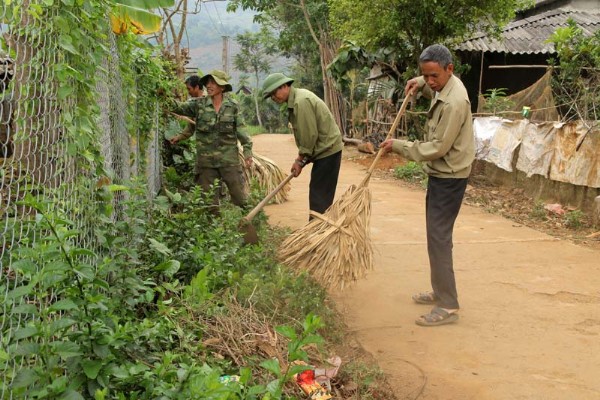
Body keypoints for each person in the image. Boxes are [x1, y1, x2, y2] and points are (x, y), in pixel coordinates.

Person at [380, 44, 475, 327]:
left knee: (439, 238)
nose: (430, 82)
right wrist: (419, 82)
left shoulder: (454, 102)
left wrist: (398, 146)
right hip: (441, 174)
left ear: (450, 69)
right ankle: (440, 290)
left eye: (434, 76)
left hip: (450, 176)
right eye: (426, 76)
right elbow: (430, 83)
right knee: (436, 237)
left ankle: (447, 305)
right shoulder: (443, 86)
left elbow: (437, 147)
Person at [261, 72, 343, 219]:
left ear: (285, 86)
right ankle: (319, 227)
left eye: (274, 93)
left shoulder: (301, 102)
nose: (273, 98)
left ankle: (317, 230)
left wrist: (300, 160)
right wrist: (303, 160)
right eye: (271, 96)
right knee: (320, 192)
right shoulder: (297, 100)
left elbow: (309, 136)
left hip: (328, 150)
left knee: (319, 194)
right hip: (323, 150)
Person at [169, 69, 253, 210]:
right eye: (208, 82)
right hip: (206, 163)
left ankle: (247, 224)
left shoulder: (232, 107)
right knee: (208, 203)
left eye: (213, 82)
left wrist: (248, 152)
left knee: (240, 198)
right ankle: (213, 230)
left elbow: (242, 131)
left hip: (229, 161)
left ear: (222, 86)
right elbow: (178, 108)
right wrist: (163, 95)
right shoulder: (198, 105)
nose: (209, 85)